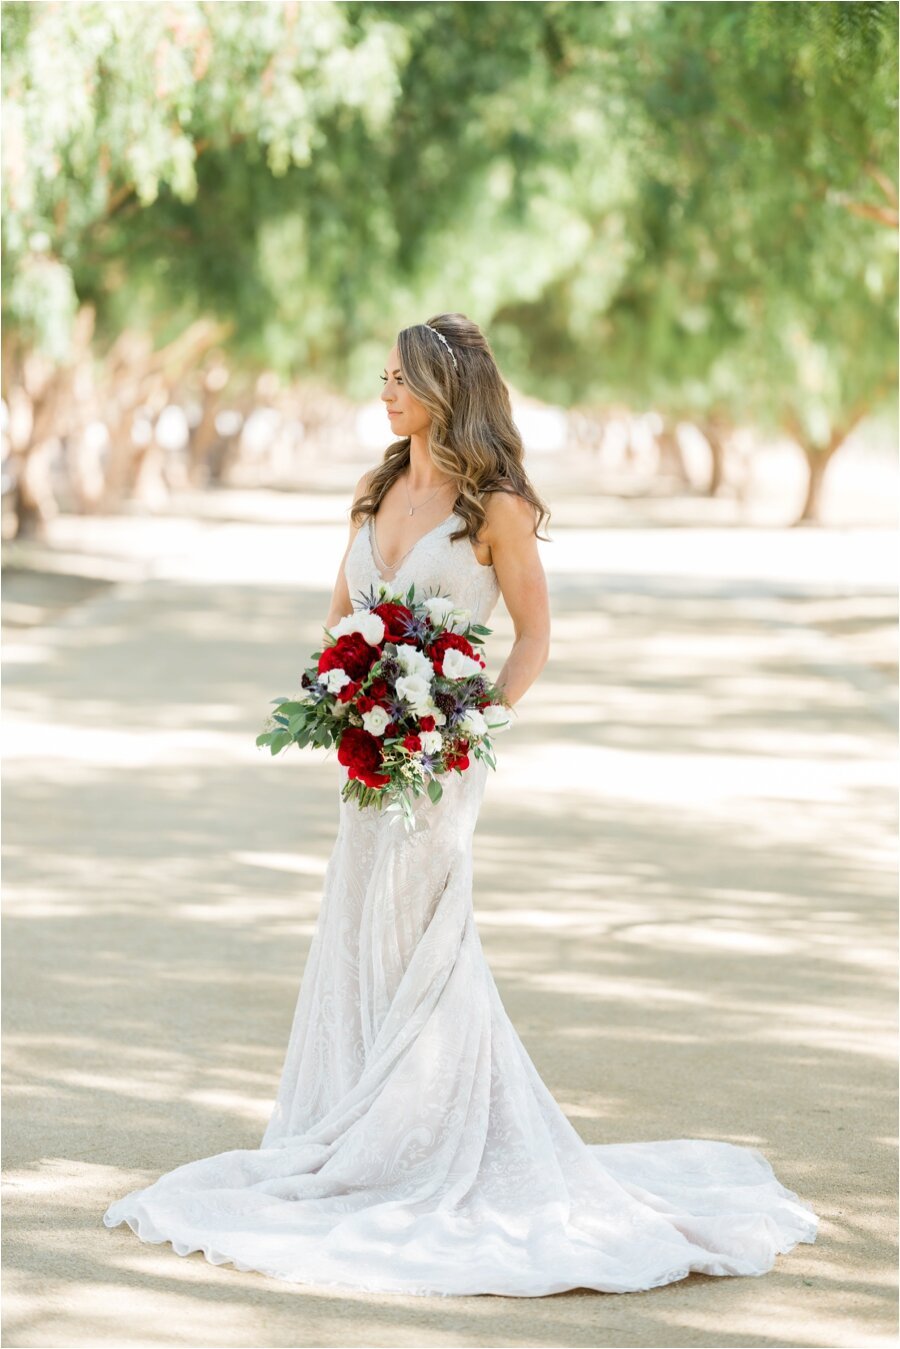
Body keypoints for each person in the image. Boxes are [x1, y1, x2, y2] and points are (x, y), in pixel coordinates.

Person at [103, 314, 819, 1296]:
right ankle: (356, 1123)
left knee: (425, 935)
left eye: (402, 378)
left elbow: (531, 636)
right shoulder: (375, 491)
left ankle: (426, 1137)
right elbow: (336, 624)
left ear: (448, 391)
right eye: (385, 375)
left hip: (443, 760)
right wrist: (344, 698)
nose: (385, 390)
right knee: (363, 934)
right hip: (368, 760)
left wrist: (468, 723)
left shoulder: (497, 506)